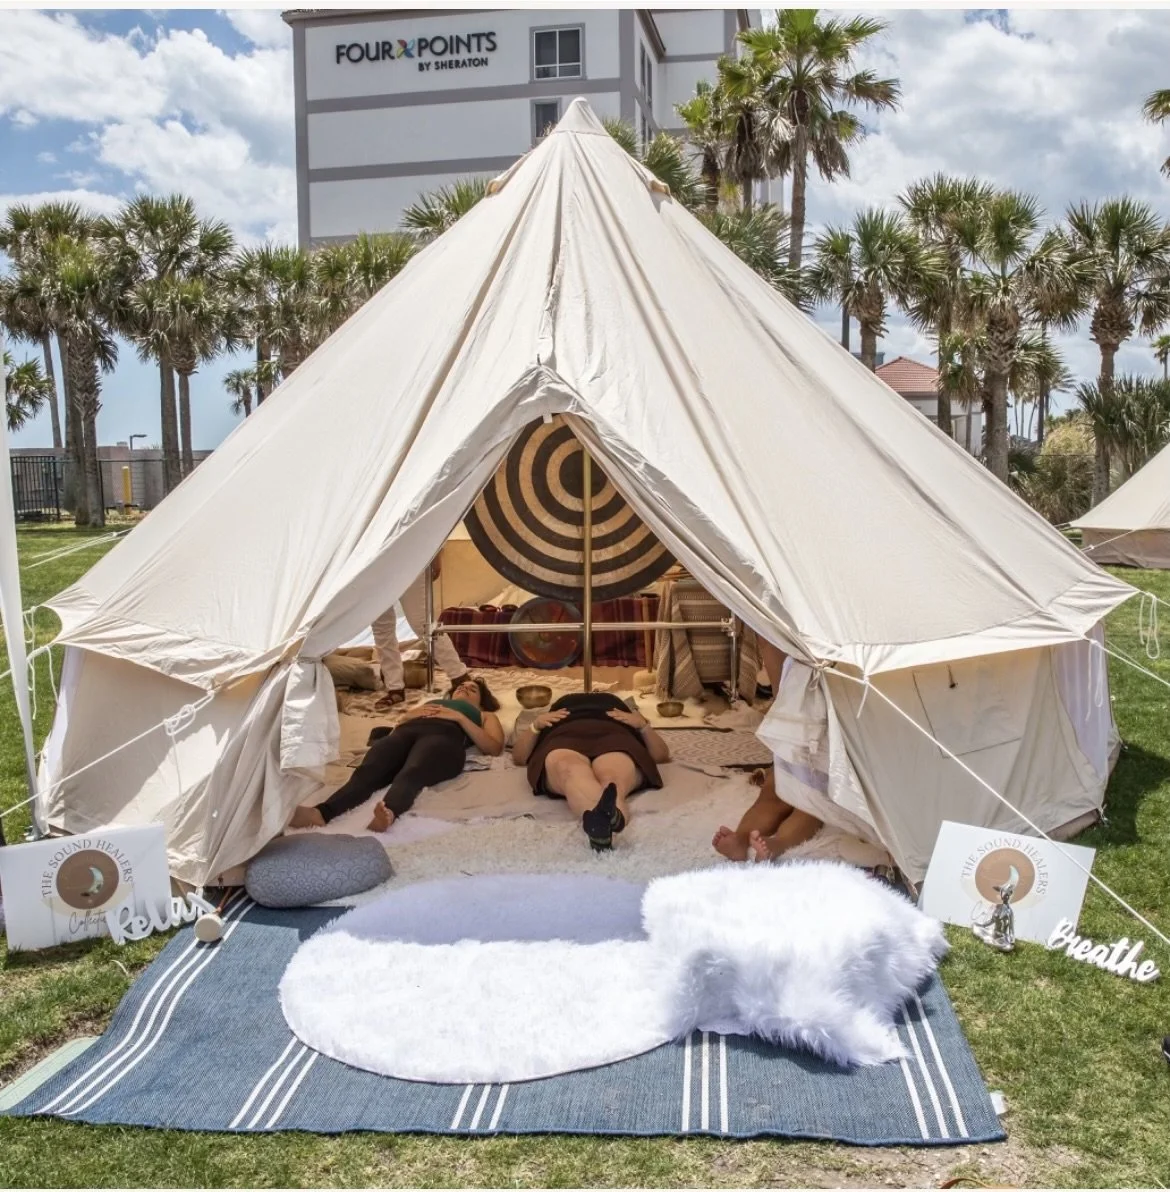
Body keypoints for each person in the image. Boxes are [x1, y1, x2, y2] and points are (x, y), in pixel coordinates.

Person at [290, 676, 503, 831]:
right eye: (461, 686)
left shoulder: (484, 715)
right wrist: (410, 715)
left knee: (414, 770)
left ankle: (389, 812)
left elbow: (494, 748)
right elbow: (397, 724)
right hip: (405, 733)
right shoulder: (432, 702)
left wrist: (459, 718)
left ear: (481, 700)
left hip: (444, 737)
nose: (465, 688)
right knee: (370, 769)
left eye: (473, 689)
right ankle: (321, 813)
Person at [511, 690, 671, 851]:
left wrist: (643, 726)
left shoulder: (623, 712)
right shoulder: (554, 714)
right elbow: (519, 757)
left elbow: (661, 756)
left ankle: (603, 825)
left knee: (611, 780)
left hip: (614, 734)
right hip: (563, 736)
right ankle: (612, 818)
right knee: (570, 771)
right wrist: (535, 726)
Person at [372, 558, 469, 710]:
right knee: (381, 627)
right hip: (375, 561)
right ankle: (394, 688)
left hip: (411, 555)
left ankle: (460, 676)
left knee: (424, 623)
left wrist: (437, 556)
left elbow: (432, 532)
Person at [711, 767, 822, 862]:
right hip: (797, 758)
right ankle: (741, 839)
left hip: (819, 767)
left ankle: (778, 844)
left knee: (810, 806)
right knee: (772, 796)